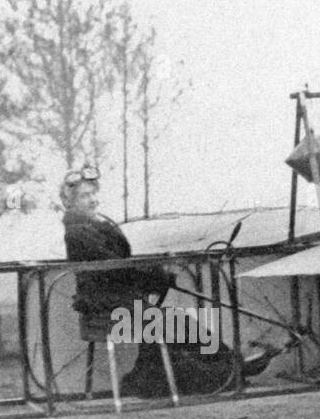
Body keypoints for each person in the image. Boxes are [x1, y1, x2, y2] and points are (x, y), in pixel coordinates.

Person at [59, 167, 272, 396]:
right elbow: (116, 268)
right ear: (70, 202)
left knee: (177, 324)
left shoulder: (94, 226)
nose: (92, 200)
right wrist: (157, 276)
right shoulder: (79, 232)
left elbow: (120, 266)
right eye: (84, 196)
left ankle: (229, 367)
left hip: (120, 303)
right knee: (176, 324)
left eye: (93, 194)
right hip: (107, 310)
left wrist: (156, 275)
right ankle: (229, 370)